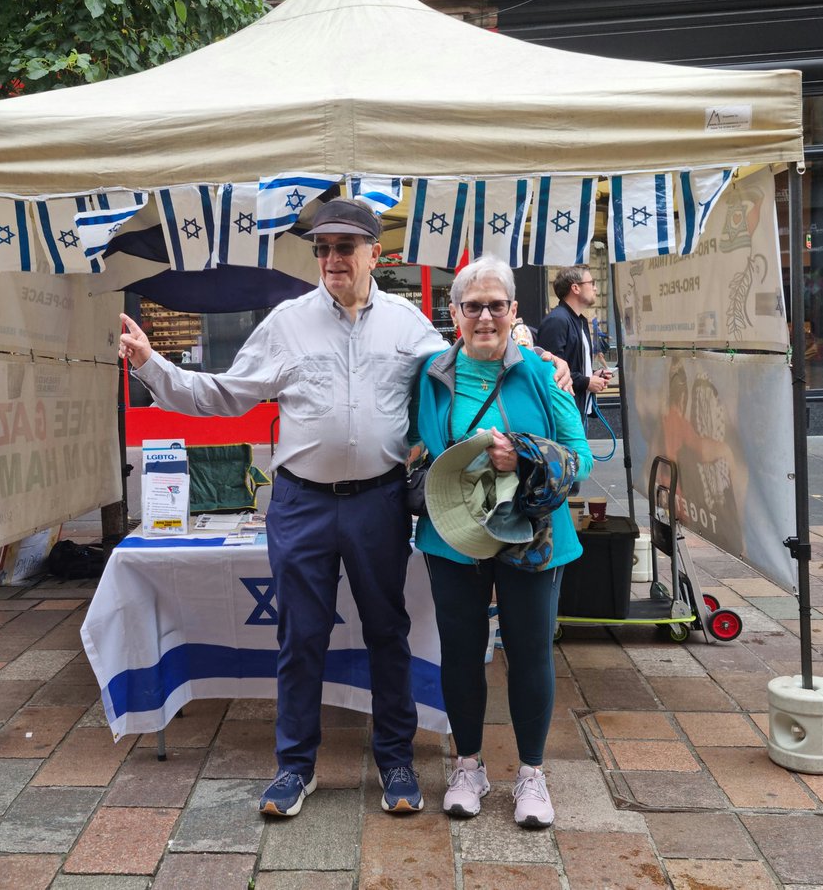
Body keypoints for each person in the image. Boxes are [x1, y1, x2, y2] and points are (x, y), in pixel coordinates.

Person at [120, 198, 570, 819]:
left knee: (388, 634)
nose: (332, 259)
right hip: (302, 501)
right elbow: (225, 393)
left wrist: (534, 350)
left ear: (373, 255)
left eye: (345, 247)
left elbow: (466, 354)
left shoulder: (408, 324)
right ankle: (294, 768)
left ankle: (396, 763)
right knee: (299, 637)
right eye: (323, 248)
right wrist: (152, 367)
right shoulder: (286, 322)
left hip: (379, 501)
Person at [413, 258, 592, 830]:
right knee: (461, 651)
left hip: (532, 537)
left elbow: (580, 458)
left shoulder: (543, 371)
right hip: (454, 534)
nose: (485, 316)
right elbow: (420, 444)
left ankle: (532, 773)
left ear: (514, 312)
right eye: (473, 306)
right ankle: (468, 765)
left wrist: (525, 454)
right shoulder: (433, 373)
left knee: (530, 652)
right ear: (454, 313)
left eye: (496, 305)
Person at [536, 266, 611, 418]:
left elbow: (572, 363)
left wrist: (593, 374)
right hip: (564, 412)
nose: (595, 288)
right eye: (592, 283)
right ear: (575, 288)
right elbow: (551, 370)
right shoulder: (557, 320)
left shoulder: (578, 321)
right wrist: (586, 381)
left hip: (577, 408)